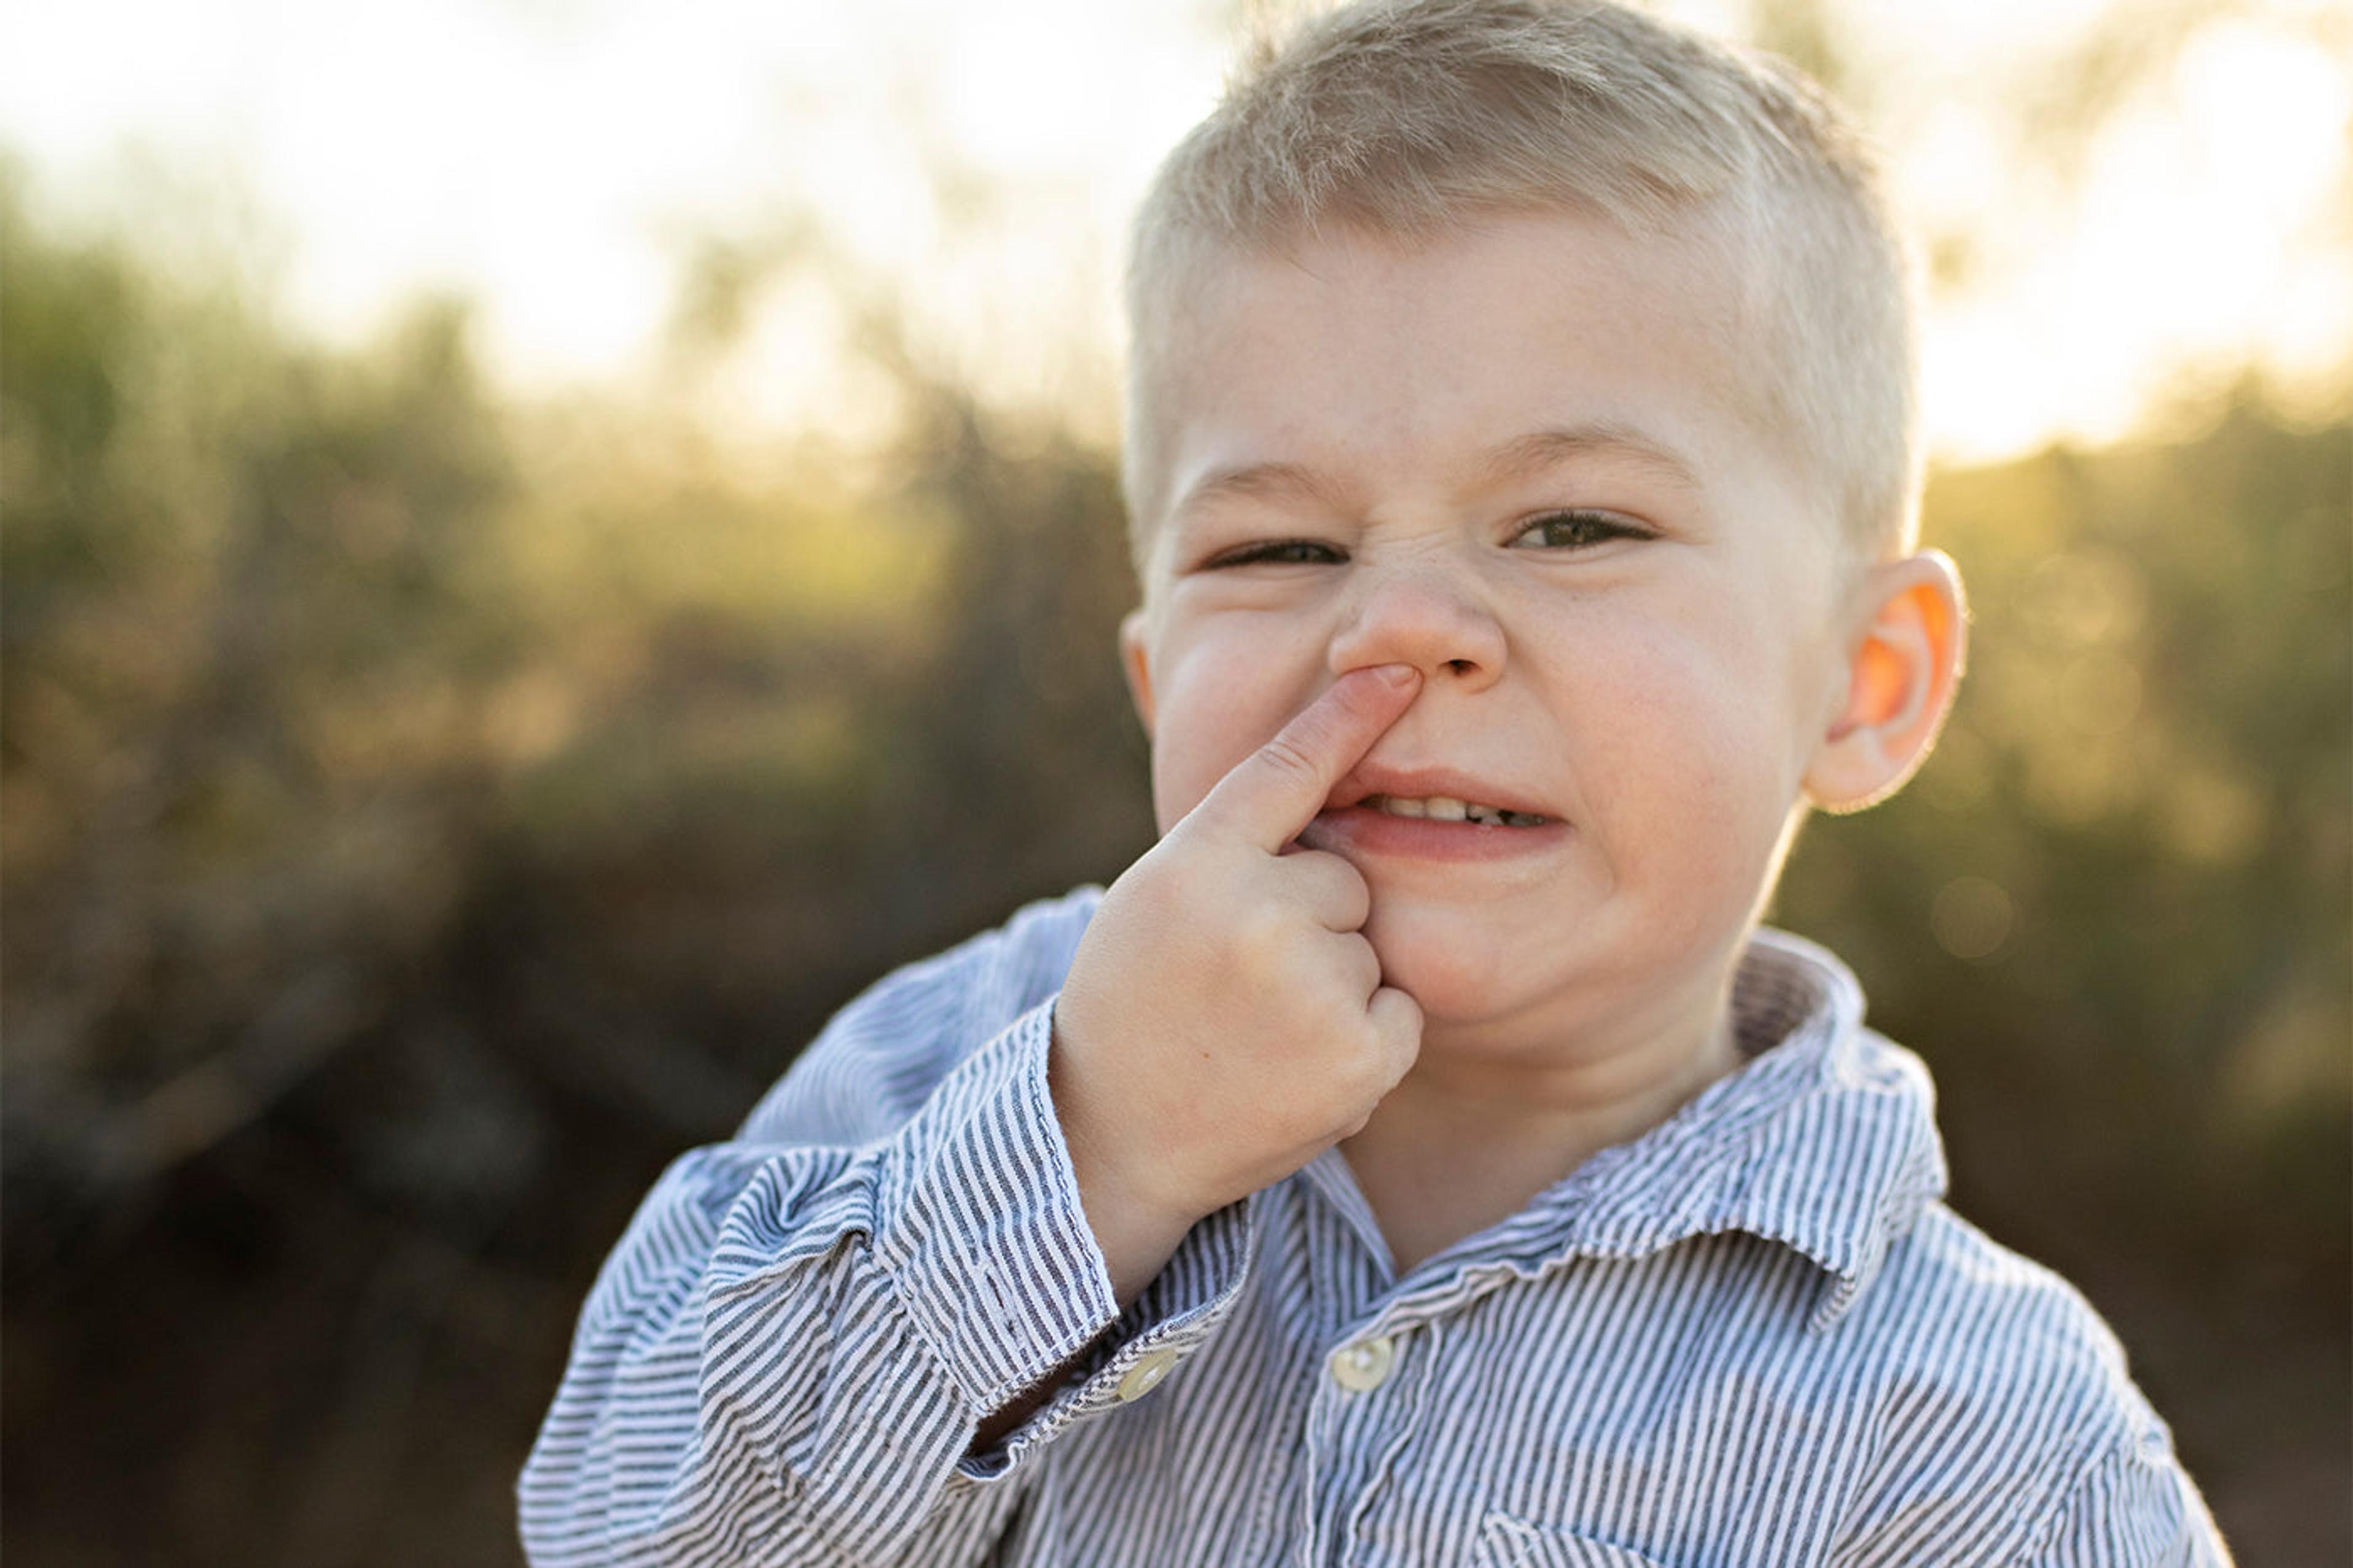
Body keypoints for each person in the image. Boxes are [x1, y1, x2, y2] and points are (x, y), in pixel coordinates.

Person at [518, 1, 2233, 1561]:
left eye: (1575, 525)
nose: (1397, 631)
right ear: (1152, 687)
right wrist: (1093, 1152)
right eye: (1279, 547)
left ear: (1869, 688)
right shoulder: (946, 1072)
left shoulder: (2001, 1451)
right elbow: (618, 1534)